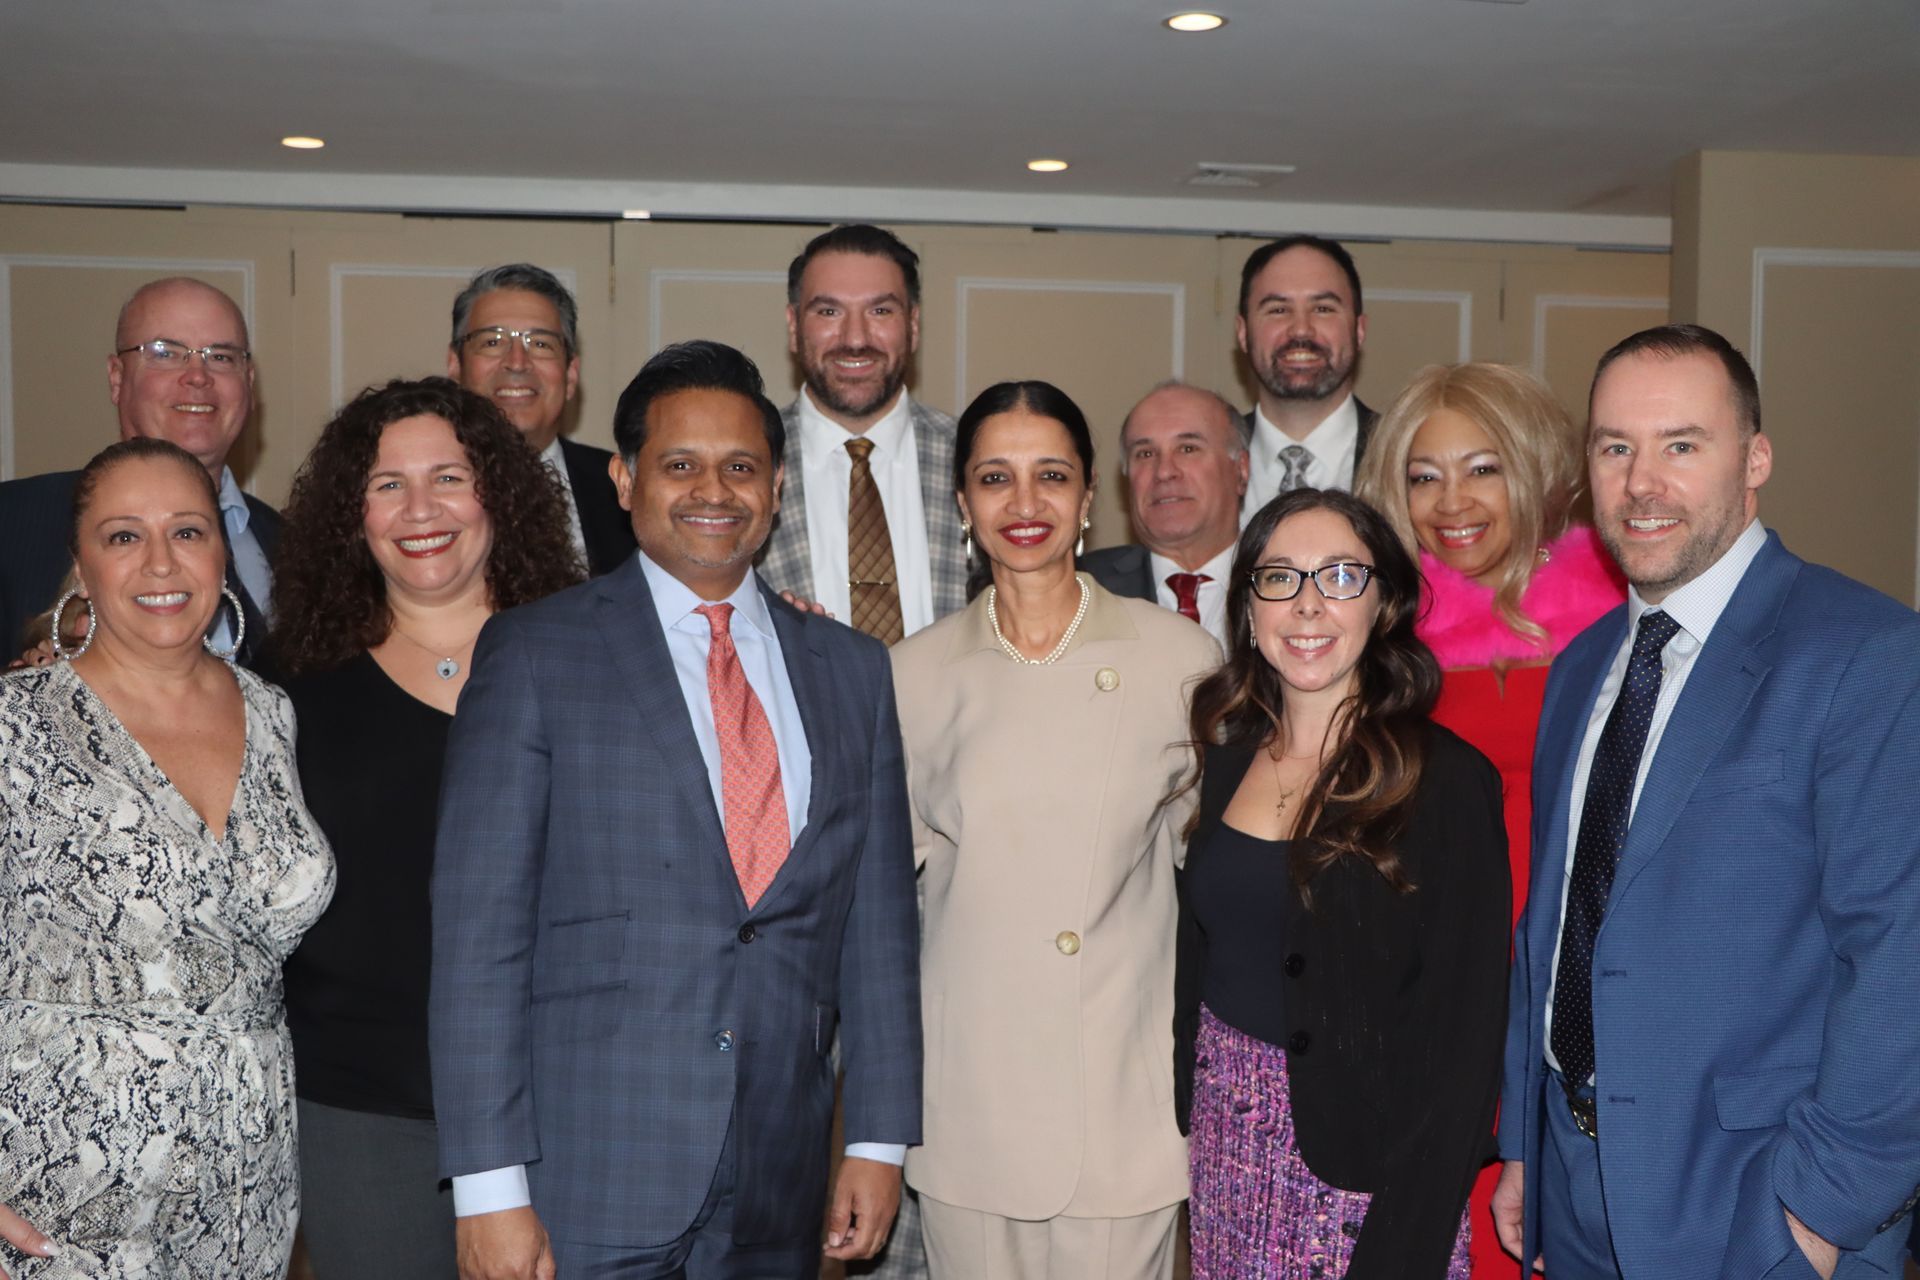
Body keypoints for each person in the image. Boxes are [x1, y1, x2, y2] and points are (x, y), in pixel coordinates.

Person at [429, 339, 921, 1279]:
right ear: (623, 478)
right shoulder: (536, 655)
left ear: (775, 486)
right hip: (589, 1169)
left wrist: (879, 1142)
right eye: (680, 465)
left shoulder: (853, 671)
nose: (714, 491)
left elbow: (879, 929)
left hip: (782, 1173)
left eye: (741, 467)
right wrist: (490, 1187)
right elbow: (478, 939)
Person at [1492, 325, 1920, 1277]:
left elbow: (1902, 958)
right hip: (1573, 1185)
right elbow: (1553, 923)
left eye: (1682, 445)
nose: (1642, 483)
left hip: (1755, 1202)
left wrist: (1817, 1213)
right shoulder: (1578, 667)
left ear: (1755, 458)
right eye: (1615, 448)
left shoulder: (1865, 654)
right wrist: (1526, 1138)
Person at [890, 380, 1217, 1279]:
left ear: (1086, 498)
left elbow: (1222, 882)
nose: (1024, 504)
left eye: (1051, 476)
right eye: (996, 478)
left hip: (1120, 1101)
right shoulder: (909, 677)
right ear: (962, 502)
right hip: (971, 1107)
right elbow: (880, 908)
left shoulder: (1180, 660)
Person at [264, 378, 581, 1278]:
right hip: (363, 1115)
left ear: (500, 496)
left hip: (557, 1102)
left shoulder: (587, 659)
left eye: (449, 476)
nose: (420, 509)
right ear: (348, 514)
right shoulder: (286, 687)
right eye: (386, 484)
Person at [0, 438, 335, 1278]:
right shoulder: (18, 722)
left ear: (222, 551)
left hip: (245, 1199)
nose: (160, 562)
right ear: (81, 561)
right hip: (53, 1196)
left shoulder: (277, 714)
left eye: (187, 531)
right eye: (123, 536)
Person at [1174, 487, 1510, 1278]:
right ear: (1249, 609)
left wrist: (1407, 1242)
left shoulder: (1446, 782)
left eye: (1340, 577)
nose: (1309, 605)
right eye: (1280, 578)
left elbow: (1465, 1044)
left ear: (1385, 603)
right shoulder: (1224, 761)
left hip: (1369, 1182)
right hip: (1226, 1151)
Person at [1354, 362, 1623, 1278]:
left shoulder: (1627, 617)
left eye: (1483, 468)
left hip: (1587, 970)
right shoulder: (1374, 634)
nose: (1450, 501)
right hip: (1441, 979)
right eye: (1423, 475)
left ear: (1537, 469)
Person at [0, 277, 278, 663]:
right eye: (165, 352)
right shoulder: (12, 524)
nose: (198, 375)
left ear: (248, 383)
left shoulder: (292, 546)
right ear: (116, 377)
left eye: (221, 356)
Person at [758, 224, 968, 643]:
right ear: (793, 325)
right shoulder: (745, 463)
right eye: (829, 312)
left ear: (913, 324)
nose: (855, 339)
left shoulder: (975, 457)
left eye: (880, 311)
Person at [447, 263, 636, 575]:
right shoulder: (414, 494)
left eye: (540, 344)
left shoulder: (625, 488)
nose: (517, 363)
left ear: (571, 375)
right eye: (492, 342)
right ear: (455, 366)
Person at [1081, 381, 1250, 647]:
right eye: (1145, 453)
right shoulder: (1081, 588)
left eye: (1187, 448)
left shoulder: (1288, 584)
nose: (1163, 471)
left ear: (1240, 469)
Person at [1235, 235, 1378, 519]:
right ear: (1242, 333)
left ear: (1359, 330)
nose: (1301, 330)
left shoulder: (1405, 457)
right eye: (1278, 310)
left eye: (1323, 309)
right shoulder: (1207, 466)